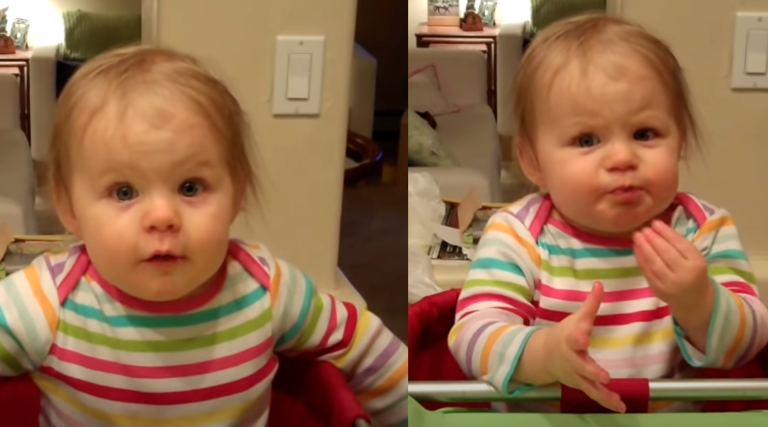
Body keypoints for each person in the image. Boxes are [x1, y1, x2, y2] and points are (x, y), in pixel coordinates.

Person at [0, 45, 407, 426]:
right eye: (124, 192)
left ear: (237, 195)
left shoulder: (267, 289)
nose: (162, 217)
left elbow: (363, 344)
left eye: (191, 187)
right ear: (69, 207)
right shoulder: (44, 301)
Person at [448, 14, 768, 414]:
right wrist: (543, 354)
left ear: (680, 139)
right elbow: (472, 336)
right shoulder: (518, 234)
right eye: (587, 140)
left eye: (644, 134)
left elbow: (747, 345)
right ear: (533, 161)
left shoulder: (702, 229)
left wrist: (699, 300)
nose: (622, 157)